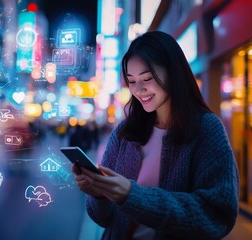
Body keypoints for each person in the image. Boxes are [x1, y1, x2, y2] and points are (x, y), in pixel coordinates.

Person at [72, 31, 239, 240]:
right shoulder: (125, 133)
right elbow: (104, 219)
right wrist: (98, 193)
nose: (139, 90)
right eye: (131, 81)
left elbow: (216, 216)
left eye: (147, 78)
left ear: (173, 72)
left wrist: (131, 195)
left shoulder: (206, 129)